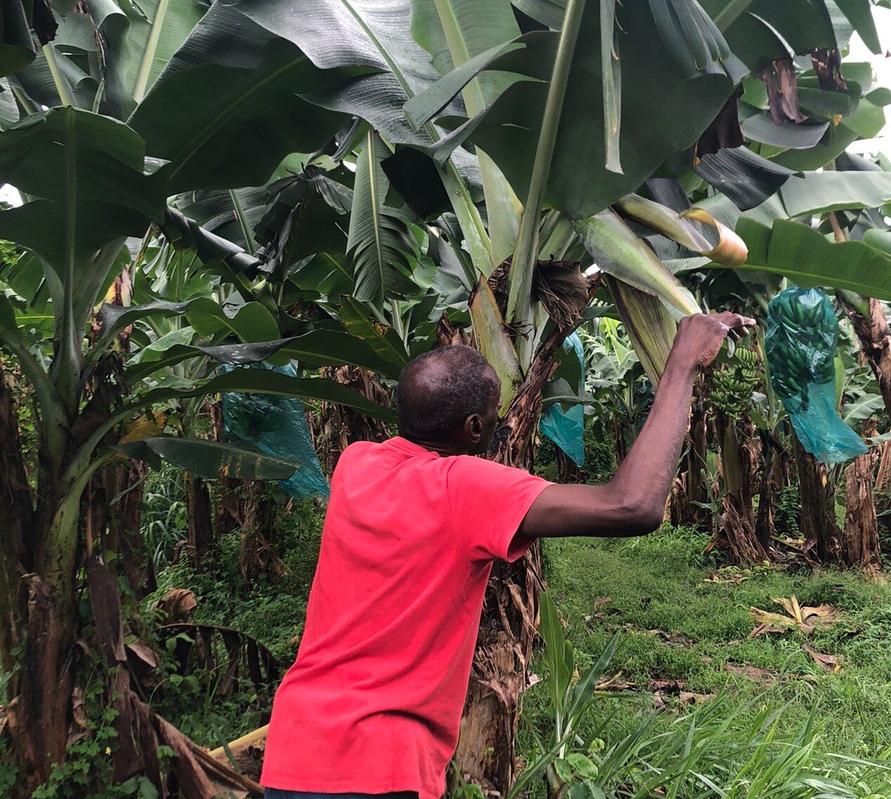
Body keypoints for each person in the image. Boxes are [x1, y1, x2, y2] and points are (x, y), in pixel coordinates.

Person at [260, 311, 755, 799]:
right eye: (497, 418)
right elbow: (632, 506)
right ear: (475, 428)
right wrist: (682, 363)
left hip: (293, 750)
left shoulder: (356, 465)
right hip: (379, 766)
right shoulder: (463, 489)